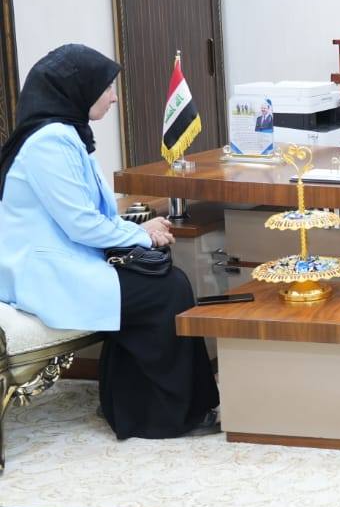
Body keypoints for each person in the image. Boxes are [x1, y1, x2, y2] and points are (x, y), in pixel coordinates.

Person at [0, 44, 219, 439]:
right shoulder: (49, 142)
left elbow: (88, 214)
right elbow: (81, 224)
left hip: (67, 259)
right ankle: (157, 416)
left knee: (165, 282)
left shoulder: (65, 134)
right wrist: (142, 234)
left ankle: (141, 406)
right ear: (78, 90)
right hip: (44, 273)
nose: (114, 97)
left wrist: (140, 226)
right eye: (107, 88)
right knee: (165, 290)